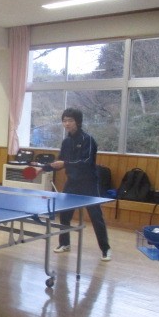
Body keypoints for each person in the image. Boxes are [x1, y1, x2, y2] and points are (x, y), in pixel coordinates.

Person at [40, 108, 112, 262]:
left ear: (78, 122)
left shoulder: (88, 140)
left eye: (70, 120)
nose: (67, 124)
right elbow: (60, 162)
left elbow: (87, 162)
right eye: (64, 120)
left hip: (89, 183)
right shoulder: (66, 142)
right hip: (72, 182)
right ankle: (65, 243)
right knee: (64, 215)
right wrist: (43, 168)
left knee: (96, 217)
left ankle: (105, 249)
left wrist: (65, 163)